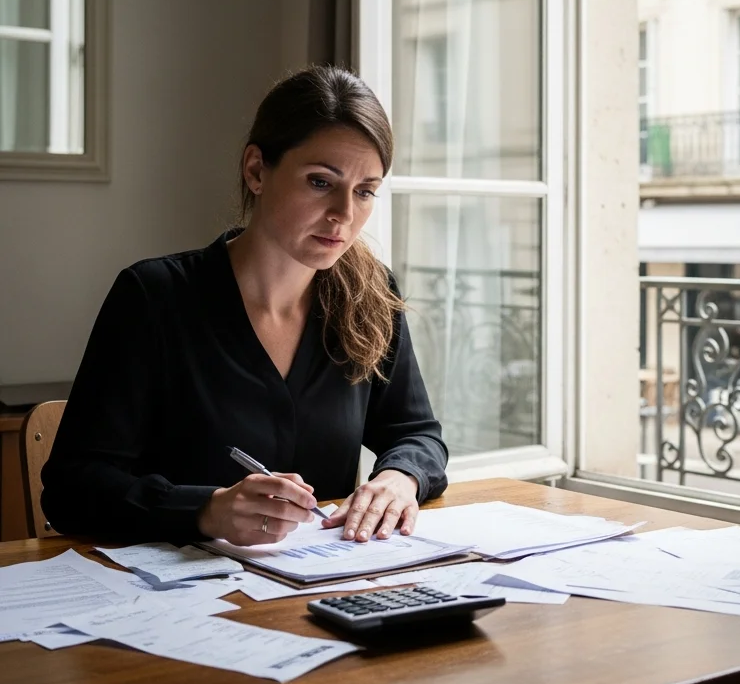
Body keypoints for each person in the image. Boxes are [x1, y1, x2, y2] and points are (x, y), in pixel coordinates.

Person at [41, 66, 448, 546]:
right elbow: (73, 488)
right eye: (321, 182)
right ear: (256, 170)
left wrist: (400, 478)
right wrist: (205, 510)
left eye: (364, 191)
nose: (344, 213)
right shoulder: (154, 297)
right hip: (175, 600)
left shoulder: (372, 295)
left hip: (324, 587)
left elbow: (418, 435)